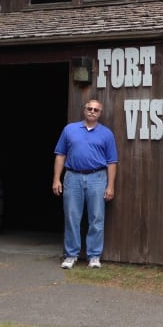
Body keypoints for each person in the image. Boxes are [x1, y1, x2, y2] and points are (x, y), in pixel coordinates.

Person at [52, 99, 118, 269]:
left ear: (100, 113)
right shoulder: (69, 130)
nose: (92, 111)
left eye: (96, 110)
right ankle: (71, 255)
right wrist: (56, 179)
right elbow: (60, 155)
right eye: (89, 108)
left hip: (97, 177)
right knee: (72, 216)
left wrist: (110, 185)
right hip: (72, 176)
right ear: (84, 110)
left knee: (96, 217)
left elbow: (112, 162)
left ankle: (94, 256)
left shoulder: (106, 134)